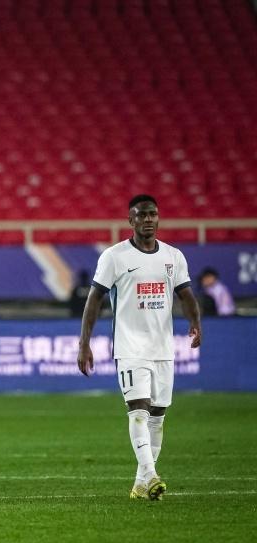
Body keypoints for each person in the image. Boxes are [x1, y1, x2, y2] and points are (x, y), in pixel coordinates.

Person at [78, 195, 202, 501]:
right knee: (138, 411)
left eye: (152, 214)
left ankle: (139, 484)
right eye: (142, 215)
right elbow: (94, 299)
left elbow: (186, 294)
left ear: (158, 218)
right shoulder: (114, 257)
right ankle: (152, 475)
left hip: (163, 348)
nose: (148, 219)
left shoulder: (173, 256)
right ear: (130, 220)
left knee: (157, 415)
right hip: (130, 347)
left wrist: (195, 322)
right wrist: (85, 343)